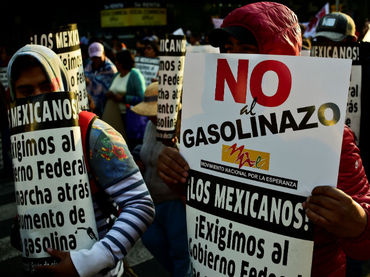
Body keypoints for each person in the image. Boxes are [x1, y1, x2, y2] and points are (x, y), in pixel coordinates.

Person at [157, 2, 370, 277]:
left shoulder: (325, 132)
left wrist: (358, 224)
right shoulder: (207, 124)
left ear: (279, 57)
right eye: (227, 49)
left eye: (246, 50)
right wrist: (178, 176)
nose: (233, 60)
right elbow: (205, 210)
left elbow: (363, 244)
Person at [8, 44, 154, 277]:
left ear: (63, 86)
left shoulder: (93, 133)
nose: (38, 98)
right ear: (14, 96)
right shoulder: (20, 140)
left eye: (46, 86)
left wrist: (86, 263)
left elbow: (141, 205)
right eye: (26, 91)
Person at [130, 82, 190, 277]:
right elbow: (145, 150)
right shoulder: (150, 126)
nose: (151, 117)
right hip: (153, 201)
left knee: (181, 252)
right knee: (152, 242)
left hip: (175, 203)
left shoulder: (183, 127)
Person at [105, 49, 147, 151]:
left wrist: (124, 98)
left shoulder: (134, 75)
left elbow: (142, 97)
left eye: (117, 62)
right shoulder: (116, 75)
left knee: (129, 146)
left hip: (129, 118)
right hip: (116, 116)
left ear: (123, 63)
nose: (116, 64)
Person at [85, 41, 117, 117]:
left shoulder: (110, 69)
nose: (96, 60)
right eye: (93, 58)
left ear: (103, 54)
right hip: (91, 106)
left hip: (105, 107)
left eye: (98, 57)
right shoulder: (89, 66)